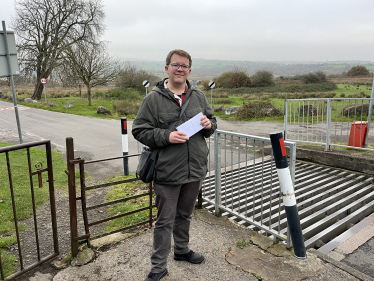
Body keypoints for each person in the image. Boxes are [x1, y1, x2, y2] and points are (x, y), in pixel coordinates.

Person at [132, 49, 217, 281]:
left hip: (194, 169)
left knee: (185, 215)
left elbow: (211, 123)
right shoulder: (152, 99)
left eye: (184, 66)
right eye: (175, 64)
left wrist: (209, 124)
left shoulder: (198, 96)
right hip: (167, 171)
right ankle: (158, 265)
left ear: (189, 70)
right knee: (164, 221)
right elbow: (139, 130)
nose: (180, 69)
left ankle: (181, 250)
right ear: (167, 68)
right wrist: (167, 137)